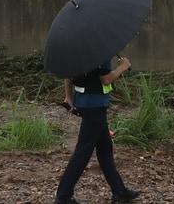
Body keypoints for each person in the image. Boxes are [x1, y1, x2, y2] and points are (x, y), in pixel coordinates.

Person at [56, 56, 139, 204]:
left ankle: (119, 191)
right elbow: (106, 79)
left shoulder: (76, 51)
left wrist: (68, 97)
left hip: (85, 103)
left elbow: (68, 75)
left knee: (105, 150)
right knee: (83, 152)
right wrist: (123, 67)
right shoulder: (100, 53)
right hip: (95, 106)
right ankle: (63, 196)